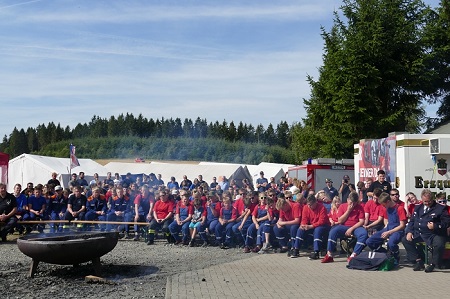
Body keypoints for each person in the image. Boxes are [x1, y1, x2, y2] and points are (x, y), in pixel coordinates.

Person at [401, 189, 450, 272]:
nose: (427, 203)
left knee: (439, 243)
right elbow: (412, 221)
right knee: (405, 240)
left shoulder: (440, 208)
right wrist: (409, 231)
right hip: (419, 233)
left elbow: (447, 222)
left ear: (432, 199)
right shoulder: (417, 208)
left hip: (433, 234)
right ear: (421, 199)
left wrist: (435, 226)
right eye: (425, 201)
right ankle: (419, 261)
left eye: (429, 201)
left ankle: (433, 264)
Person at [321, 191, 367, 263]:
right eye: (351, 202)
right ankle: (329, 254)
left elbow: (361, 221)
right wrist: (348, 210)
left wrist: (351, 229)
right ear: (348, 200)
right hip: (344, 226)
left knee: (363, 234)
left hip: (355, 227)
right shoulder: (342, 206)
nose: (352, 205)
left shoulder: (360, 207)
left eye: (354, 203)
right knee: (333, 231)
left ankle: (354, 254)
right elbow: (340, 220)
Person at [365, 192, 407, 266]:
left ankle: (396, 256)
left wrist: (389, 232)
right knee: (369, 241)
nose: (382, 206)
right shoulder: (386, 209)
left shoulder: (399, 208)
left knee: (391, 243)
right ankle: (384, 253)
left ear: (388, 202)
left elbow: (402, 225)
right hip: (388, 228)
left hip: (397, 230)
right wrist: (385, 229)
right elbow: (386, 220)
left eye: (383, 205)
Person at [290, 194, 330, 259]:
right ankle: (296, 249)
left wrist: (311, 226)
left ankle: (316, 251)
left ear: (315, 202)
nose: (309, 206)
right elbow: (304, 219)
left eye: (311, 204)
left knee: (318, 230)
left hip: (323, 226)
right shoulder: (306, 207)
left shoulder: (322, 208)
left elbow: (322, 221)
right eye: (308, 204)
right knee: (300, 229)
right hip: (312, 225)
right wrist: (303, 225)